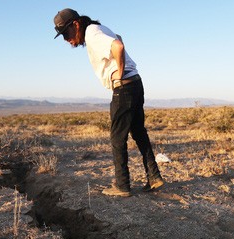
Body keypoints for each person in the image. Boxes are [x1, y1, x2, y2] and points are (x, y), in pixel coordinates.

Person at [53, 8, 164, 197]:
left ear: (76, 24)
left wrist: (119, 74)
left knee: (117, 137)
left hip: (125, 87)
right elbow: (118, 38)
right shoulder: (99, 28)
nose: (66, 39)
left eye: (66, 33)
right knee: (138, 132)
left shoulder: (92, 33)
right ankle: (154, 177)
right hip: (135, 82)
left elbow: (118, 46)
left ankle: (122, 185)